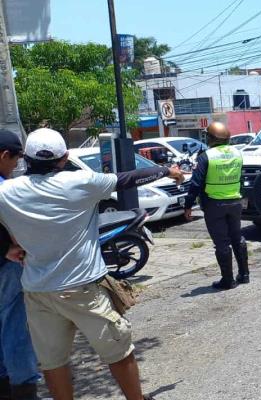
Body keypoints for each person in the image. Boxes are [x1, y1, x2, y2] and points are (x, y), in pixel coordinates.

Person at [0, 128, 184, 400]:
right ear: (64, 158)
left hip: (38, 293)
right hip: (83, 290)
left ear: (26, 158)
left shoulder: (7, 192)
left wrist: (6, 249)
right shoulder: (81, 183)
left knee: (53, 362)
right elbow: (129, 178)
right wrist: (168, 171)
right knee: (118, 351)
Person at [183, 122, 248, 290]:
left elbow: (195, 184)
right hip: (235, 202)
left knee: (222, 243)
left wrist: (188, 205)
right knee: (237, 237)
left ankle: (228, 280)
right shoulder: (237, 153)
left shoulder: (206, 156)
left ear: (210, 138)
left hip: (214, 204)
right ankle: (244, 274)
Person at [0, 129, 41, 400]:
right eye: (15, 159)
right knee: (15, 323)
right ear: (4, 155)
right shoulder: (3, 187)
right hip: (6, 267)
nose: (17, 165)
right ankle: (24, 387)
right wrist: (6, 249)